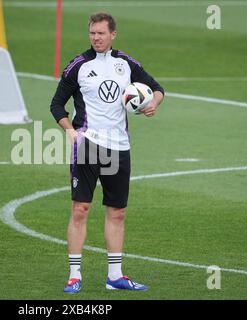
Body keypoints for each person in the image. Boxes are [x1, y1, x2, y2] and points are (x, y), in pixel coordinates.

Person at [50, 12, 164, 293]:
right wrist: (70, 131)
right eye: (92, 33)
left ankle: (115, 276)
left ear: (113, 34)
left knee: (118, 212)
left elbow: (157, 89)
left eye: (101, 33)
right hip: (87, 144)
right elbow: (56, 105)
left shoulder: (126, 64)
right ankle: (74, 276)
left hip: (119, 147)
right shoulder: (78, 65)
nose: (96, 38)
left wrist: (153, 104)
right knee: (80, 209)